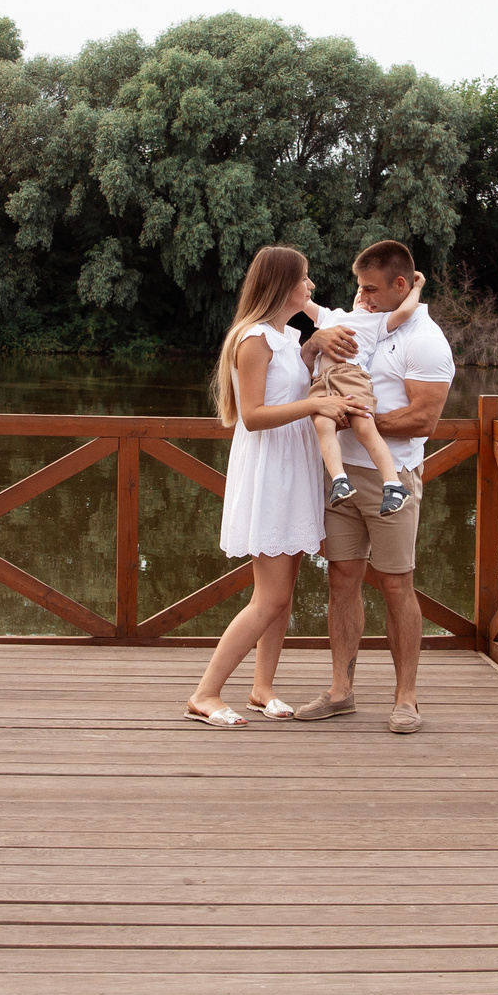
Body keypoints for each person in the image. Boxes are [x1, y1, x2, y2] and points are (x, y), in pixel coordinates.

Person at [183, 245, 356, 728]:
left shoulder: (284, 336)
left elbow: (287, 382)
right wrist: (315, 407)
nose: (312, 286)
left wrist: (312, 348)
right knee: (271, 597)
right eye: (306, 278)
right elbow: (255, 416)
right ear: (282, 285)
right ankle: (205, 693)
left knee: (284, 589)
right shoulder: (253, 339)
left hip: (294, 467)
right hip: (270, 471)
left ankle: (262, 688)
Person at [294, 240, 454, 734]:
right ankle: (341, 691)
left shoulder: (424, 339)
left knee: (396, 583)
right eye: (358, 287)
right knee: (341, 579)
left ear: (400, 286)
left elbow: (424, 419)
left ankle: (406, 698)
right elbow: (305, 366)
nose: (361, 296)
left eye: (370, 288)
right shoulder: (355, 319)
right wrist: (315, 344)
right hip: (339, 474)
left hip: (392, 479)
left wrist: (357, 419)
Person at [299, 275, 423, 516]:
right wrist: (298, 277)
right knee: (323, 426)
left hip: (351, 376)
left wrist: (416, 287)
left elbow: (407, 311)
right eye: (361, 293)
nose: (365, 299)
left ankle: (393, 484)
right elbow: (303, 302)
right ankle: (340, 480)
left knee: (364, 427)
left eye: (371, 297)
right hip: (322, 383)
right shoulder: (333, 316)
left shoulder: (377, 322)